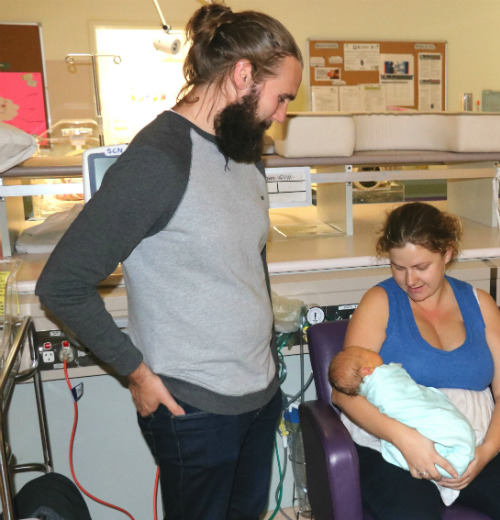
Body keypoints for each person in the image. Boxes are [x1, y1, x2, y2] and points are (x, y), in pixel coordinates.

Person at [34, 4, 302, 519]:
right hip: (194, 410)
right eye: (282, 97)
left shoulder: (244, 151)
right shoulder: (159, 159)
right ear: (243, 76)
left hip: (258, 395)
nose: (282, 113)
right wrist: (136, 372)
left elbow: (248, 262)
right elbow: (63, 283)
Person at [331, 201, 500, 520]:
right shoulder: (379, 302)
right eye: (398, 267)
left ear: (447, 254)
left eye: (421, 266)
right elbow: (344, 393)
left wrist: (484, 454)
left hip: (472, 437)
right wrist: (404, 438)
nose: (410, 279)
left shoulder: (480, 305)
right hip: (393, 444)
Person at [329, 345, 475, 505]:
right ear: (367, 370)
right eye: (369, 353)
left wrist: (488, 449)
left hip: (480, 436)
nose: (374, 351)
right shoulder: (382, 381)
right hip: (399, 435)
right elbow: (340, 395)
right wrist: (403, 437)